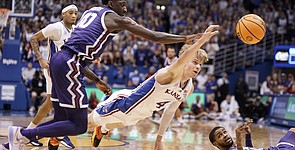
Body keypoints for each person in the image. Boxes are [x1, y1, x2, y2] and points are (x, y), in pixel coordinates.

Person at [8, 0, 207, 149]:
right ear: (111, 3)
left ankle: (13, 143)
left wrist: (97, 79)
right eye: (122, 3)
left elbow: (84, 45)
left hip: (63, 60)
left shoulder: (92, 11)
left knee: (62, 118)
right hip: (71, 63)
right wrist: (186, 38)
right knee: (78, 125)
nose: (126, 7)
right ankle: (23, 134)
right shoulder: (114, 18)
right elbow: (154, 36)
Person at [88, 25, 219, 149]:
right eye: (195, 62)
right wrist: (202, 40)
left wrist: (159, 138)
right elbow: (180, 60)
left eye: (200, 65)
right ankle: (69, 130)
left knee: (123, 122)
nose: (198, 67)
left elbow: (170, 111)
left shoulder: (188, 88)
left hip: (142, 113)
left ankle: (102, 129)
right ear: (185, 60)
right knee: (85, 124)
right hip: (125, 103)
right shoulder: (170, 73)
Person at [1, 4, 79, 150]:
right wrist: (40, 59)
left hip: (63, 72)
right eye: (70, 13)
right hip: (54, 70)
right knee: (64, 103)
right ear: (63, 14)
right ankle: (60, 135)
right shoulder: (56, 27)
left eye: (75, 13)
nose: (74, 16)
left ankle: (28, 134)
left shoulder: (74, 31)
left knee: (50, 103)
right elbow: (34, 39)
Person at [209, 121, 295, 150]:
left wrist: (248, 135)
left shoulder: (234, 147)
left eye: (224, 132)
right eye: (220, 135)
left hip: (276, 148)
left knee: (294, 131)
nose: (224, 135)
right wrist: (239, 141)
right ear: (215, 144)